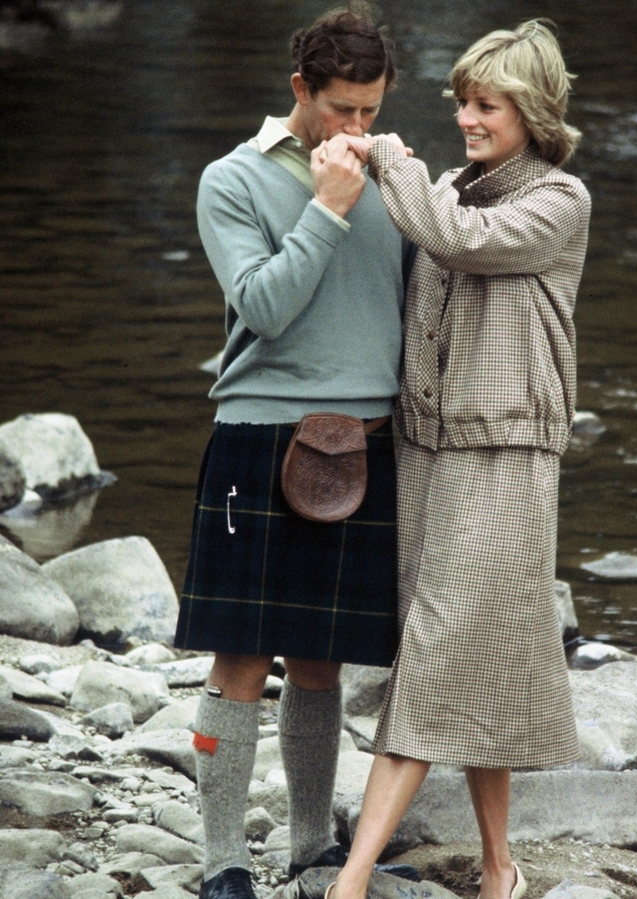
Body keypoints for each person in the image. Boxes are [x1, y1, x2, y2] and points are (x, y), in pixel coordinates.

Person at [326, 19, 591, 899]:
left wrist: (394, 168)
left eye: (487, 105)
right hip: (430, 452)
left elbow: (461, 243)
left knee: (436, 657)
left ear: (533, 111)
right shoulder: (446, 187)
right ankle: (499, 867)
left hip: (508, 456)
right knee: (474, 652)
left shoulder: (558, 202)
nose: (468, 119)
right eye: (464, 104)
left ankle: (352, 879)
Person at [173, 6, 416, 899]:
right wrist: (327, 208)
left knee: (322, 657)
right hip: (259, 432)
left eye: (372, 110)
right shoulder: (229, 181)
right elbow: (264, 308)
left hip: (367, 437)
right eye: (342, 110)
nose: (357, 130)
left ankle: (314, 847)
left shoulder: (393, 176)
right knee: (240, 655)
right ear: (299, 92)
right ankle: (221, 862)